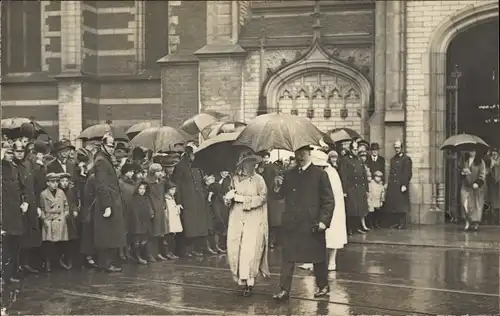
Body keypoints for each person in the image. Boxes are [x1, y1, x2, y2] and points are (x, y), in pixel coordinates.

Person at [272, 145, 334, 301]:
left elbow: (328, 201)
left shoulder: (320, 174)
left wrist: (323, 221)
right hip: (292, 223)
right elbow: (280, 195)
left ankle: (323, 286)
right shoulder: (289, 174)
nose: (300, 156)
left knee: (318, 257)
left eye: (303, 153)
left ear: (309, 153)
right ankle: (284, 289)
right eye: (297, 153)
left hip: (313, 223)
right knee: (288, 257)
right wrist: (277, 186)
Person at [225, 152, 269, 297]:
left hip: (253, 218)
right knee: (235, 247)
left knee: (249, 249)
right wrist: (228, 198)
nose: (251, 165)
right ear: (242, 164)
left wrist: (242, 198)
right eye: (248, 162)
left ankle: (250, 282)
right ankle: (241, 280)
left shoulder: (259, 180)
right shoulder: (235, 179)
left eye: (253, 163)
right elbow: (229, 198)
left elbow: (263, 198)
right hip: (237, 217)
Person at [299, 150, 346, 272]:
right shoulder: (317, 174)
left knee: (333, 236)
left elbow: (332, 196)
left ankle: (332, 261)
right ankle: (310, 260)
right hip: (318, 209)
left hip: (332, 210)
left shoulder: (331, 174)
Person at [93, 134, 127, 272]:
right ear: (102, 145)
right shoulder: (101, 161)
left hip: (112, 200)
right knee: (106, 234)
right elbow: (102, 184)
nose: (111, 148)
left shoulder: (105, 159)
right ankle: (105, 263)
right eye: (109, 146)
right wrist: (106, 205)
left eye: (113, 146)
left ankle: (108, 262)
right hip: (107, 202)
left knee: (111, 233)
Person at [172, 144, 211, 257]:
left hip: (198, 199)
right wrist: (178, 201)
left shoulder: (198, 165)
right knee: (188, 225)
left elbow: (201, 180)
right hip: (187, 199)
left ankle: (194, 248)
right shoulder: (180, 166)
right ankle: (184, 250)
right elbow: (177, 184)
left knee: (198, 225)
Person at [1, 142, 28, 284]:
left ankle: (9, 274)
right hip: (3, 213)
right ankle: (2, 276)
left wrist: (25, 201)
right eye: (8, 153)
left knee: (13, 245)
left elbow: (22, 187)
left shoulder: (15, 169)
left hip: (15, 213)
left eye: (12, 153)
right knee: (4, 246)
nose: (11, 156)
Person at [39, 173, 70, 272]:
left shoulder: (61, 192)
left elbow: (66, 206)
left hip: (60, 219)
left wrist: (65, 215)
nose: (55, 184)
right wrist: (44, 220)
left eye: (57, 182)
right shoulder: (43, 194)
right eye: (52, 182)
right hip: (49, 220)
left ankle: (60, 262)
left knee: (61, 243)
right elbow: (42, 208)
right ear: (47, 183)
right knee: (49, 244)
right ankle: (48, 264)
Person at [338, 141, 369, 235]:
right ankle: (350, 228)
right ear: (351, 150)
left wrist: (366, 189)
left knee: (359, 209)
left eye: (356, 149)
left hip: (359, 188)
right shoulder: (346, 160)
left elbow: (364, 175)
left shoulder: (359, 160)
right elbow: (343, 175)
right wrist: (344, 190)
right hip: (351, 188)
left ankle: (357, 227)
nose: (355, 151)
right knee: (351, 209)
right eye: (354, 149)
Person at [384, 140, 413, 229]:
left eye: (398, 147)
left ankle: (402, 223)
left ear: (402, 148)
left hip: (401, 185)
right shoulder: (393, 159)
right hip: (393, 185)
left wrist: (404, 184)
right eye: (395, 148)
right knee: (394, 205)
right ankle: (396, 223)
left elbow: (407, 173)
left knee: (402, 205)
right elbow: (391, 173)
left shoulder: (406, 159)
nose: (397, 149)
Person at [459, 150, 486, 231]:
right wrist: (462, 172)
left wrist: (478, 183)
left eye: (473, 150)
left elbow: (482, 173)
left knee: (476, 205)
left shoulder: (480, 162)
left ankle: (475, 223)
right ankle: (467, 221)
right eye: (470, 150)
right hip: (466, 186)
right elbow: (460, 170)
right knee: (465, 203)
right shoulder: (465, 161)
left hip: (476, 188)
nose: (472, 152)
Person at [128, 181, 154, 265]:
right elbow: (134, 212)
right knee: (137, 241)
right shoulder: (134, 199)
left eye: (144, 189)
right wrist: (137, 223)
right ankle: (137, 256)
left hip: (145, 222)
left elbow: (149, 210)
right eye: (140, 189)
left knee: (144, 240)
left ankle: (142, 255)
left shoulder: (146, 198)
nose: (142, 191)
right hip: (137, 223)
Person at [59, 173, 79, 269]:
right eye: (62, 181)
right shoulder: (58, 192)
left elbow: (73, 202)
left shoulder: (70, 192)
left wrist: (75, 210)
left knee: (71, 238)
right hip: (60, 217)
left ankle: (69, 258)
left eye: (66, 181)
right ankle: (61, 258)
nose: (64, 183)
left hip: (69, 218)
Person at [164, 180, 182, 260]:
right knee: (168, 237)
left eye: (174, 190)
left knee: (172, 237)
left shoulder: (172, 198)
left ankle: (171, 252)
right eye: (171, 190)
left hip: (173, 219)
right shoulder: (166, 199)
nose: (173, 191)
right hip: (169, 220)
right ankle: (167, 252)